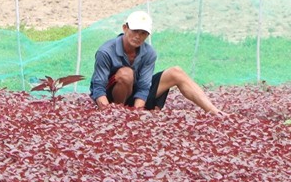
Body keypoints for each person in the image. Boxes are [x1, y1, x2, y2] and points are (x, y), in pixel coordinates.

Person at [90, 10, 221, 115]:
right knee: (126, 74)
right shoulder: (106, 51)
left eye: (143, 33)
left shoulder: (149, 53)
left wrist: (137, 113)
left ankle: (215, 112)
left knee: (176, 72)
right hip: (110, 99)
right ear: (125, 28)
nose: (138, 36)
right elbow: (98, 87)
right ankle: (119, 113)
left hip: (135, 99)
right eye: (135, 31)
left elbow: (143, 87)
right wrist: (108, 113)